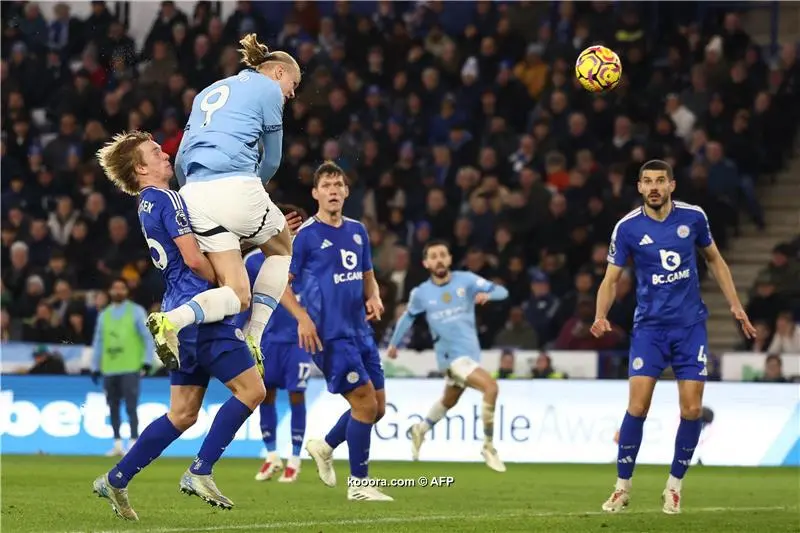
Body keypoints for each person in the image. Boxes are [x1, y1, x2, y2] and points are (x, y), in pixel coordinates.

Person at [92, 132, 270, 520]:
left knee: (183, 413)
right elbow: (193, 259)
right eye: (155, 153)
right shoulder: (169, 198)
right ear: (141, 169)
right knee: (253, 390)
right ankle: (201, 470)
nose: (165, 154)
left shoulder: (145, 204)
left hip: (176, 311)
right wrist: (226, 281)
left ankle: (116, 478)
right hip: (201, 312)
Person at [592, 159, 756, 514]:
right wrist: (600, 314)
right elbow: (611, 278)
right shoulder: (627, 228)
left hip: (689, 327)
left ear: (671, 185)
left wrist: (735, 305)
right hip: (649, 328)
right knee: (637, 406)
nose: (654, 186)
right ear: (638, 187)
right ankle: (622, 487)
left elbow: (715, 260)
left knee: (693, 409)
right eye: (647, 181)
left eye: (660, 181)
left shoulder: (693, 217)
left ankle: (674, 487)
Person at [168, 33, 302, 366]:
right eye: (294, 83)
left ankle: (172, 321)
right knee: (283, 249)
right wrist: (250, 191)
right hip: (235, 183)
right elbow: (272, 160)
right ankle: (255, 337)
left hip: (191, 191)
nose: (293, 92)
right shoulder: (269, 90)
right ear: (277, 73)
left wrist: (194, 195)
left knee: (237, 292)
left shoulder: (206, 92)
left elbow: (181, 157)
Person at [279, 161, 391, 501]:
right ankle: (359, 485)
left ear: (346, 192)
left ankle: (324, 446)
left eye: (338, 185)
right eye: (326, 185)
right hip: (328, 335)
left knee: (378, 408)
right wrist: (301, 317)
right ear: (315, 193)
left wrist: (374, 295)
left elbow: (367, 274)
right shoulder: (305, 236)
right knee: (364, 405)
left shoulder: (358, 231)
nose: (332, 190)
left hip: (360, 330)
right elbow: (281, 285)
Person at [387, 240, 509, 472]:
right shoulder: (421, 292)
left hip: (470, 356)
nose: (439, 259)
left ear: (450, 259)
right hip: (450, 358)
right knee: (491, 388)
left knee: (449, 401)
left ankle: (420, 429)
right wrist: (394, 344)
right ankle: (488, 446)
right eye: (433, 256)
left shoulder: (467, 280)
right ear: (426, 263)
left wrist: (488, 296)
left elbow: (502, 291)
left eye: (443, 254)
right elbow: (408, 318)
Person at [238, 204, 311, 483]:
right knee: (263, 395)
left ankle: (295, 458)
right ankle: (271, 456)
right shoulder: (255, 260)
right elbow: (244, 301)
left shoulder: (307, 257)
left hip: (297, 341)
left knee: (296, 395)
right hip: (265, 340)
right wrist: (238, 333)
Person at [90, 278, 154, 456]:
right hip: (110, 367)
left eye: (121, 288)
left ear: (127, 291)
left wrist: (147, 361)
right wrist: (95, 366)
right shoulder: (104, 315)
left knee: (131, 406)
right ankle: (117, 443)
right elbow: (99, 341)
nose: (118, 291)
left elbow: (147, 337)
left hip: (130, 366)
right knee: (113, 406)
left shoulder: (136, 311)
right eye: (115, 288)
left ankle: (133, 443)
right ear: (110, 291)